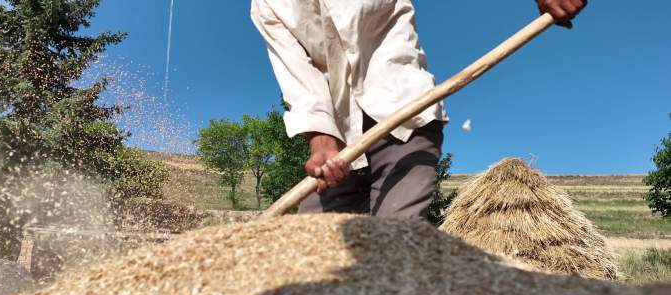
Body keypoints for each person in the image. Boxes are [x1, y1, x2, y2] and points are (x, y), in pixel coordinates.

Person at [251, 0, 587, 219]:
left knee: (395, 242)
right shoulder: (266, 6)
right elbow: (298, 76)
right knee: (307, 249)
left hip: (405, 115)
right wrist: (322, 142)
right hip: (340, 138)